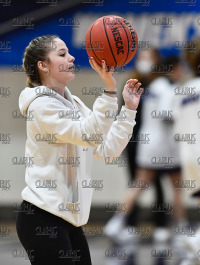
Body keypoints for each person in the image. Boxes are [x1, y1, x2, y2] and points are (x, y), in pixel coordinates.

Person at [15, 34, 143, 265]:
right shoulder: (41, 105)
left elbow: (107, 150)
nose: (72, 57)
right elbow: (88, 134)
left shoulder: (73, 103)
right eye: (62, 54)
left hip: (71, 221)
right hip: (43, 218)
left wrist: (129, 111)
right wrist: (109, 90)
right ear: (43, 65)